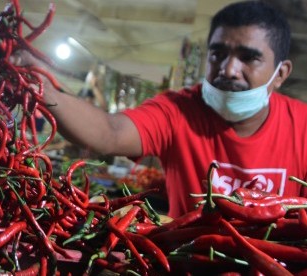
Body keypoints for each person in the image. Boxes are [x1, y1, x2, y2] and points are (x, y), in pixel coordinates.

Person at [21, 1, 307, 218]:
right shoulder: (178, 110)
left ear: (280, 74)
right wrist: (38, 83)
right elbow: (110, 133)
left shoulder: (302, 126)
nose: (229, 69)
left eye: (248, 58)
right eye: (218, 54)